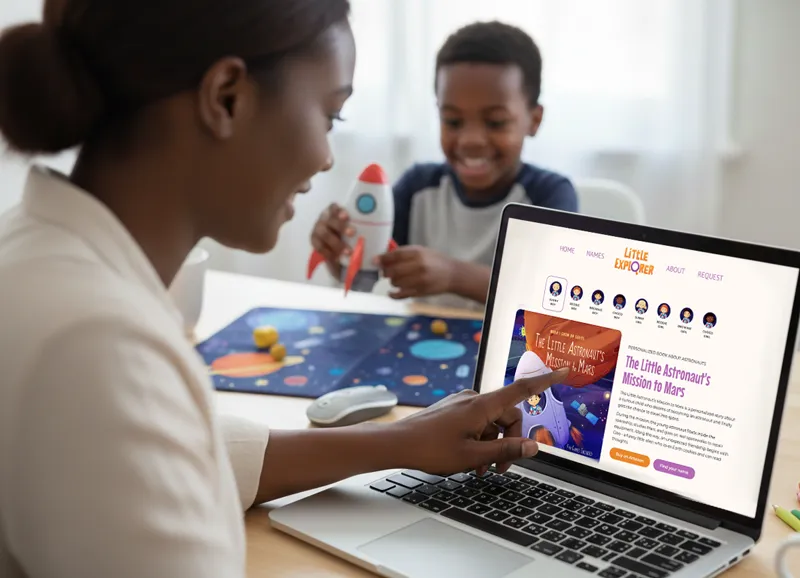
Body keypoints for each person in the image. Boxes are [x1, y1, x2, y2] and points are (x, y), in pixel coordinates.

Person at [0, 2, 568, 577]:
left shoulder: (42, 262)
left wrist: (402, 441)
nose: (326, 158)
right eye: (330, 116)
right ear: (227, 97)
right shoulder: (97, 345)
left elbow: (195, 453)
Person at [311, 21, 578, 310]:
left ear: (534, 120)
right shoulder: (418, 188)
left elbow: (554, 297)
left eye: (495, 122)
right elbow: (362, 278)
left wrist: (455, 275)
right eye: (453, 121)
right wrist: (338, 252)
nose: (471, 140)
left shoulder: (549, 196)